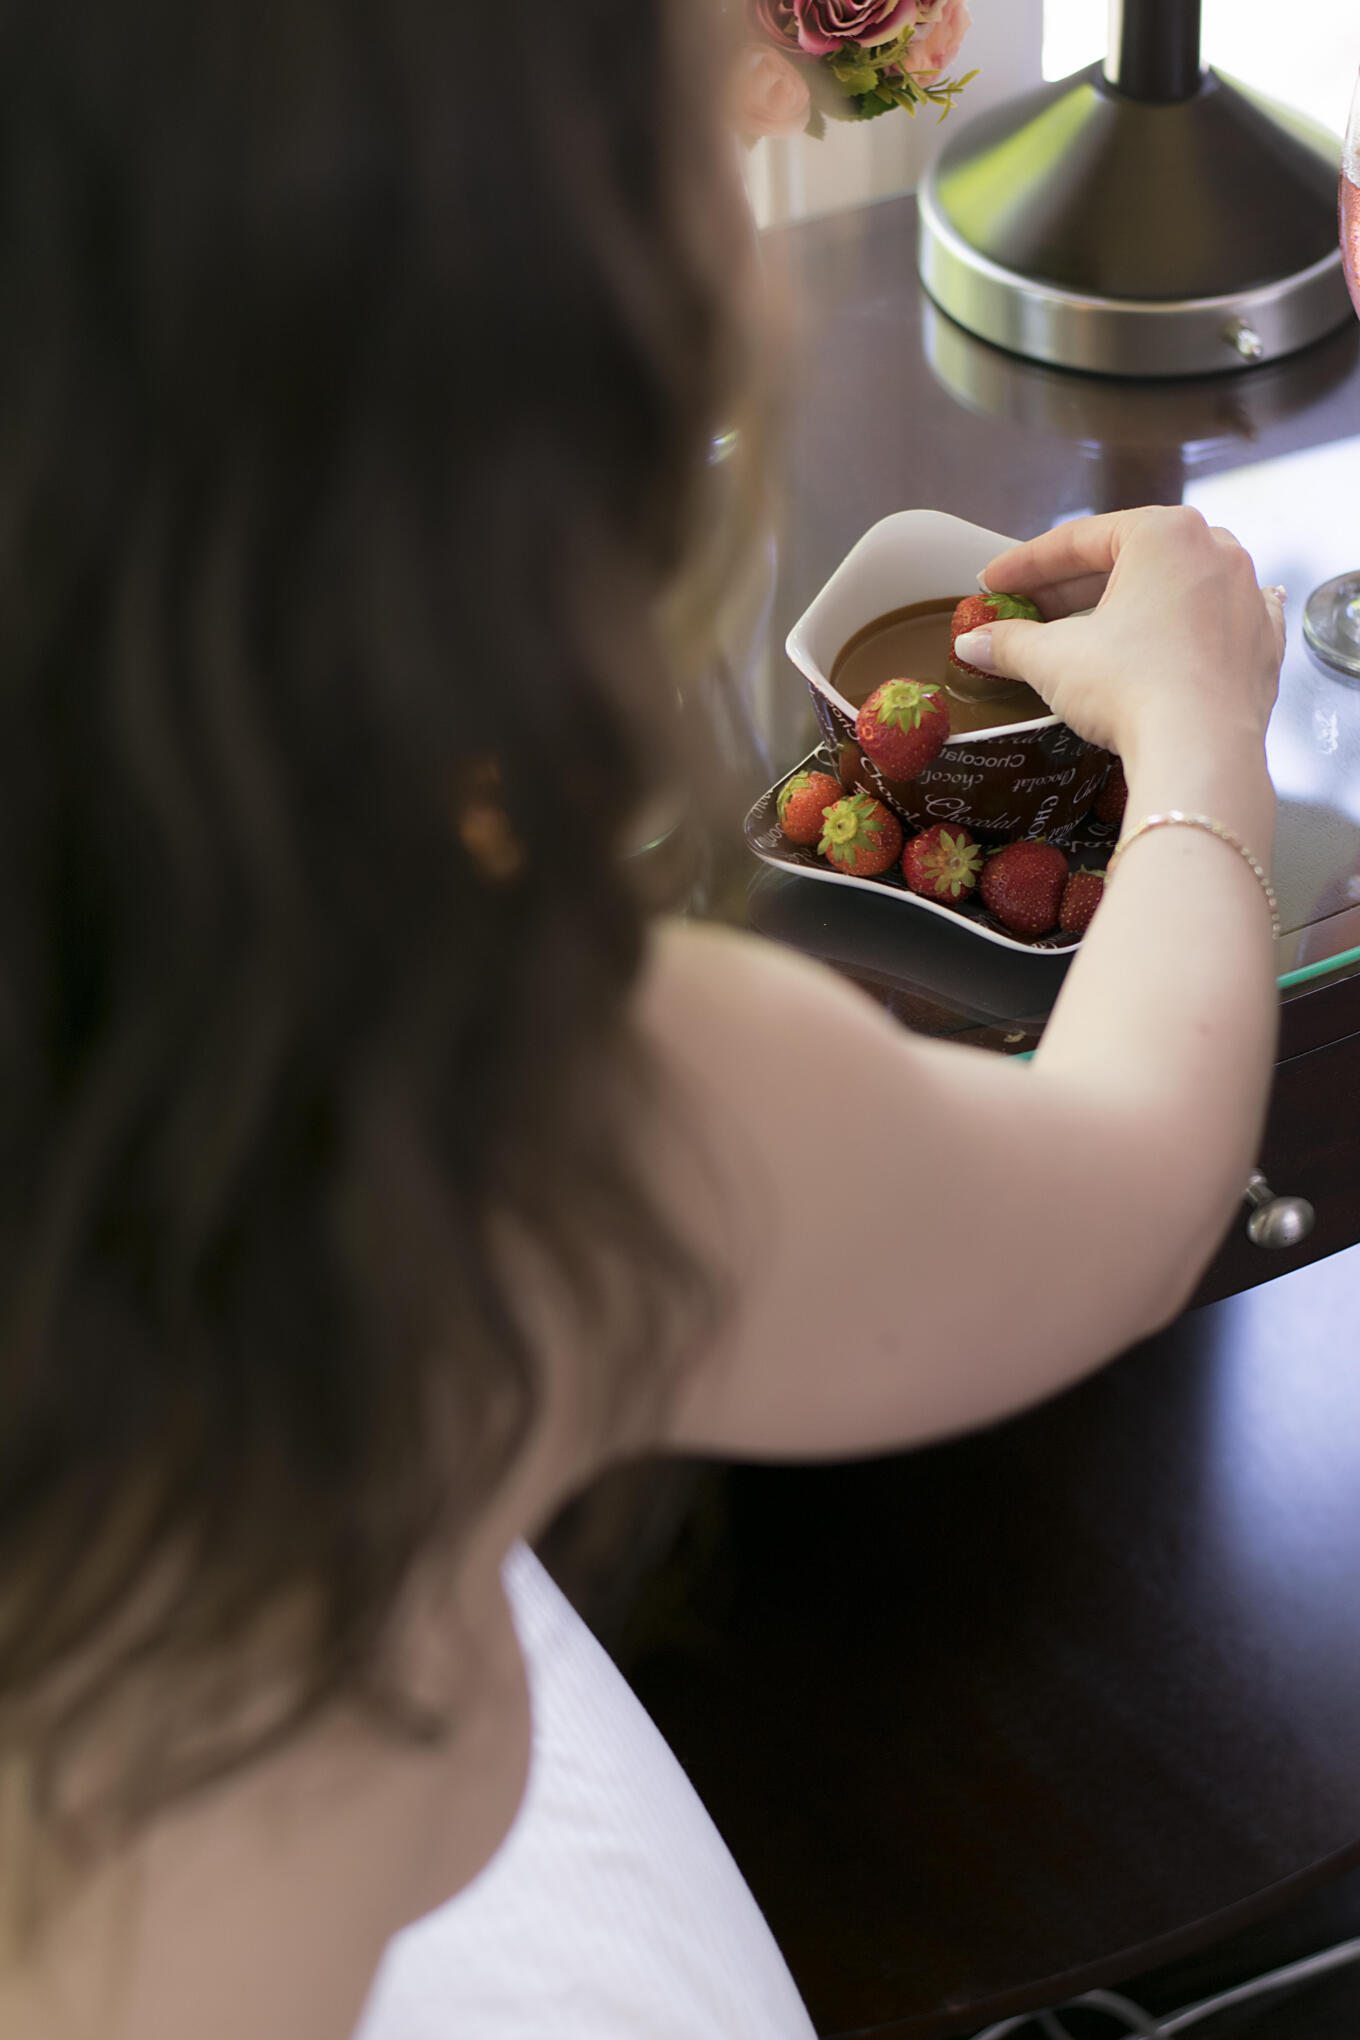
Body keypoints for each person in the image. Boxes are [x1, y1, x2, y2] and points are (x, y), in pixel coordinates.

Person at [0, 1, 1286, 2036]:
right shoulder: (496, 1096)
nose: (774, 123)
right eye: (697, 138)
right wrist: (1204, 729)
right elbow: (1130, 1172)